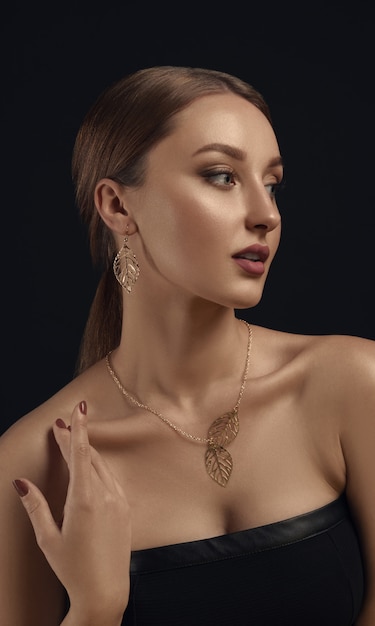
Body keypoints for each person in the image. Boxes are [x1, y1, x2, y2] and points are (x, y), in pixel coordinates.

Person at [0, 65, 374, 626]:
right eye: (222, 176)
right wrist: (95, 610)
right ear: (118, 207)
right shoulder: (35, 465)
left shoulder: (350, 383)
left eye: (271, 183)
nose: (266, 214)